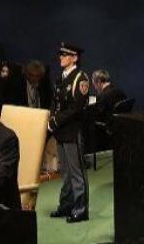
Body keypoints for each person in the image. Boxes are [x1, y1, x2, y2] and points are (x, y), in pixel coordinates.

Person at [49, 43, 90, 222]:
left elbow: (76, 108)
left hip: (73, 131)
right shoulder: (61, 79)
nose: (60, 57)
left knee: (76, 172)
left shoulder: (80, 78)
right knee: (64, 171)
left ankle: (81, 209)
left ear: (74, 58)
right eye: (60, 54)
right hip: (61, 131)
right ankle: (66, 205)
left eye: (65, 55)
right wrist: (51, 120)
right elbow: (55, 103)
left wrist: (55, 120)